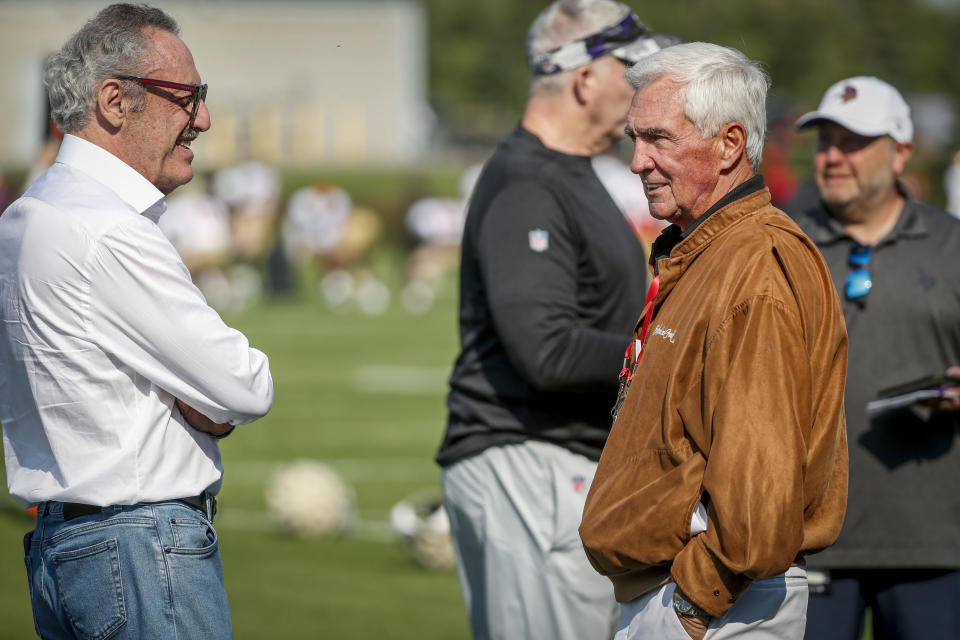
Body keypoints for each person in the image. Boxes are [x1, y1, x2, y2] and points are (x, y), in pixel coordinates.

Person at [0, 5, 274, 639]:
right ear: (116, 101)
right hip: (141, 548)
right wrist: (199, 398)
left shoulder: (27, 214)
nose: (202, 118)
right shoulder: (107, 229)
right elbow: (244, 386)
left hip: (65, 548)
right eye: (187, 97)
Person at [579, 42, 849, 640]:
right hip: (696, 594)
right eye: (634, 138)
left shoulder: (757, 265)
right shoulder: (709, 251)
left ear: (730, 144)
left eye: (659, 138)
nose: (637, 161)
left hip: (719, 603)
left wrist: (692, 607)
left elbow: (761, 483)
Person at [435, 2, 678, 637]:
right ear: (583, 77)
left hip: (552, 469)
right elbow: (545, 350)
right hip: (529, 466)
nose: (641, 87)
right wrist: (678, 353)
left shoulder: (567, 173)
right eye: (630, 68)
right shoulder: (528, 181)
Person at [787, 76, 960, 640]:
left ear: (902, 150)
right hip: (806, 540)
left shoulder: (951, 244)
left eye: (854, 142)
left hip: (932, 544)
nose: (834, 157)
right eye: (826, 141)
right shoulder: (784, 246)